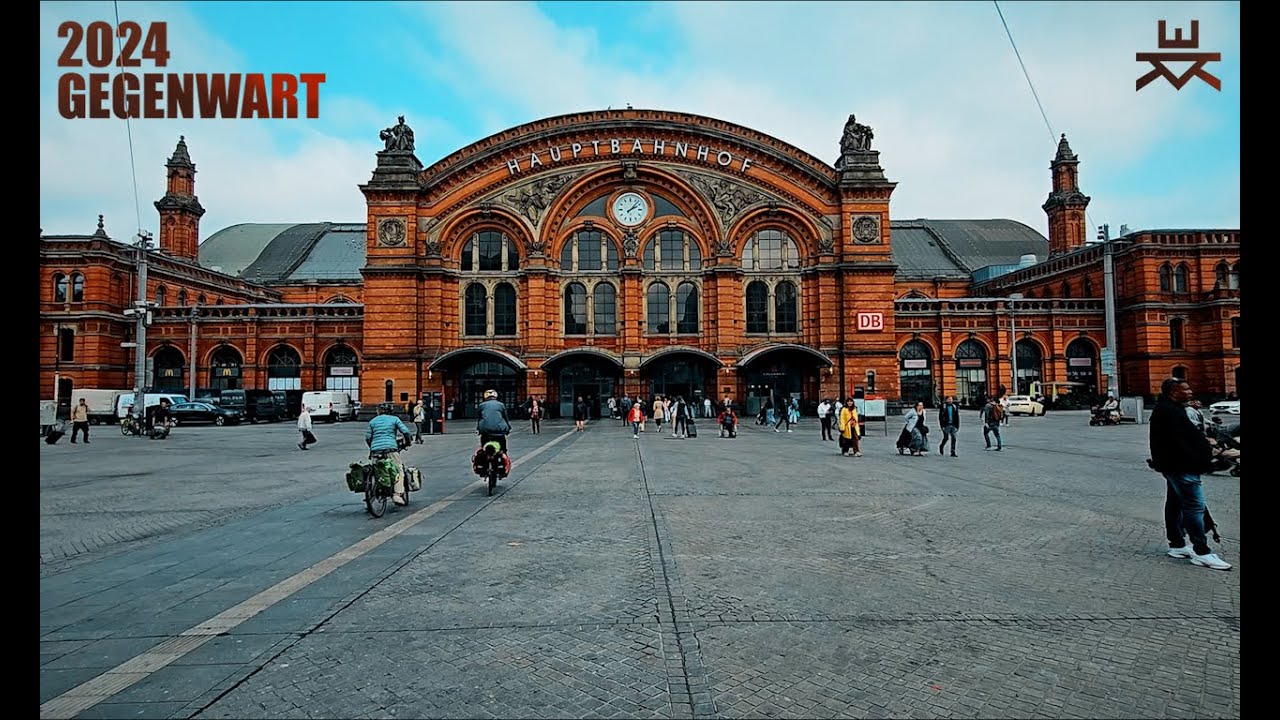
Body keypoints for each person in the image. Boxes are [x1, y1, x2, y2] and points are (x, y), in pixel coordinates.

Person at [1149, 377, 1232, 570]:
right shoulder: (1171, 412)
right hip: (1182, 467)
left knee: (1175, 504)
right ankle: (1201, 552)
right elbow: (1185, 441)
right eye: (1185, 389)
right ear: (1173, 392)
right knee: (1194, 507)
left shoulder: (1167, 409)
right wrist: (1204, 452)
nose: (1190, 392)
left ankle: (1177, 545)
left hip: (1173, 466)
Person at [365, 404, 415, 505]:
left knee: (377, 470)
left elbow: (368, 438)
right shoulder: (394, 419)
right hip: (390, 448)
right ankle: (397, 494)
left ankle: (371, 497)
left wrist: (373, 447)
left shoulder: (373, 421)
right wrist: (408, 442)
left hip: (375, 450)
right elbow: (406, 431)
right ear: (391, 411)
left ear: (378, 411)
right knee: (398, 470)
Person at [476, 389, 512, 455]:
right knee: (503, 446)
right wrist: (508, 428)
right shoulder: (501, 405)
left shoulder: (481, 406)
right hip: (499, 431)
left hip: (486, 431)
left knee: (484, 443)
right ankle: (504, 454)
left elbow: (480, 418)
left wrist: (479, 429)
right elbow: (505, 417)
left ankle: (484, 451)